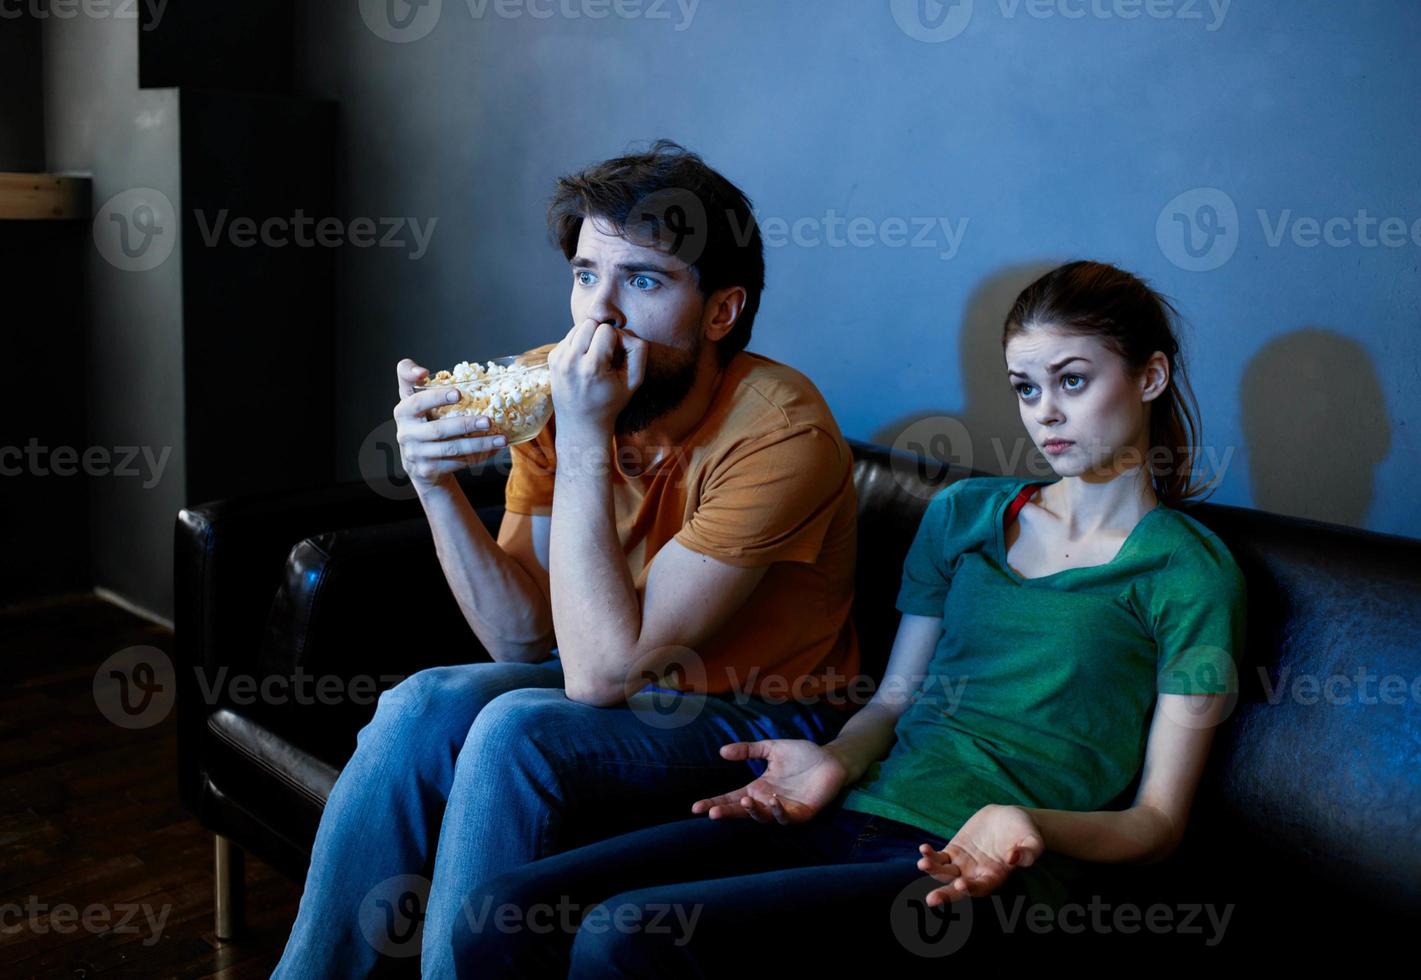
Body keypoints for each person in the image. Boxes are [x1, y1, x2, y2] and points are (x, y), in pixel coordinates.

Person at [450, 260, 1249, 974]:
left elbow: (1156, 823)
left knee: (626, 936)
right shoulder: (965, 515)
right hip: (856, 811)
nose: (1044, 414)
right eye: (1026, 387)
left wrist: (1025, 821)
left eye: (1072, 381)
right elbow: (893, 704)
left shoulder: (1188, 570)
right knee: (502, 914)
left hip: (978, 870)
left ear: (1147, 378)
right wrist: (831, 758)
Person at [272, 141, 862, 978]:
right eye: (587, 276)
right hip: (639, 679)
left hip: (770, 712)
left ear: (720, 311)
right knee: (420, 702)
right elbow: (519, 640)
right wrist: (434, 484)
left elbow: (599, 677)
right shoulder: (548, 386)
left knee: (518, 729)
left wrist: (584, 434)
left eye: (643, 282)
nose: (599, 316)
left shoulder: (781, 433)